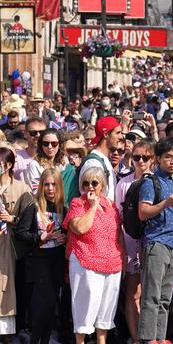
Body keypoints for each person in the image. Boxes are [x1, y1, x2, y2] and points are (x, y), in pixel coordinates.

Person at [62, 167, 123, 344]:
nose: (90, 186)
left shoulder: (111, 206)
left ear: (102, 185)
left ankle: (101, 342)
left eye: (94, 183)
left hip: (112, 263)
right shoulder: (77, 203)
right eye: (86, 183)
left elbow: (117, 234)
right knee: (85, 307)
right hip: (85, 260)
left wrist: (123, 260)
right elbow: (80, 228)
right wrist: (93, 206)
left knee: (106, 310)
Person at [138, 137, 173, 344]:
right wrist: (164, 203)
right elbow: (143, 212)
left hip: (172, 245)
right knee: (152, 295)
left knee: (166, 298)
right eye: (168, 157)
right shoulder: (151, 182)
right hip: (155, 243)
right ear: (157, 158)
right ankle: (148, 339)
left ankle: (160, 337)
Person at [13, 168, 67, 344]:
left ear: (59, 186)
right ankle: (34, 339)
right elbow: (21, 232)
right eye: (46, 184)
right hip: (38, 261)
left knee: (52, 308)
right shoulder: (34, 206)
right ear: (41, 186)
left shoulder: (63, 208)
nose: (50, 188)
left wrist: (65, 237)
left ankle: (43, 340)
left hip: (57, 260)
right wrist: (40, 237)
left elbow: (67, 233)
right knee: (47, 303)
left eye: (53, 184)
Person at [114, 140, 155, 344]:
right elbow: (118, 218)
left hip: (155, 240)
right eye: (136, 157)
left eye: (145, 157)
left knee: (153, 291)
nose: (140, 161)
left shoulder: (159, 181)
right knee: (134, 291)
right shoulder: (124, 183)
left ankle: (152, 336)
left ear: (152, 159)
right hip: (130, 241)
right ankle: (136, 338)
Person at [0, 146, 33, 338]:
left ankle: (13, 333)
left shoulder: (22, 189)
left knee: (13, 290)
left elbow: (31, 224)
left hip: (15, 250)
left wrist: (12, 219)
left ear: (9, 165)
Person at [79, 116, 123, 201]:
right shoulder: (93, 163)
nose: (121, 137)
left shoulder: (103, 159)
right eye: (117, 133)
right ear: (106, 134)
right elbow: (91, 201)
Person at [24, 128, 67, 193]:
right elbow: (35, 191)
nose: (50, 147)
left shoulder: (64, 163)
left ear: (59, 145)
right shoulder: (34, 165)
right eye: (45, 143)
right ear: (41, 145)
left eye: (54, 143)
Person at [14, 116, 46, 183]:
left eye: (42, 132)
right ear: (25, 133)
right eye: (33, 132)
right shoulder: (16, 157)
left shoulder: (52, 156)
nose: (38, 135)